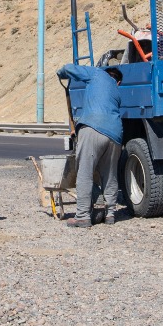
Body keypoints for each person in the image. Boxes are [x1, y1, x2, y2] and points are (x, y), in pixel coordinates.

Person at [55, 63, 123, 227]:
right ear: (118, 82)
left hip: (93, 127)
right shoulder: (117, 92)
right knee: (110, 174)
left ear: (107, 73)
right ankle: (111, 214)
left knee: (84, 172)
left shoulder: (97, 74)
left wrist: (61, 72)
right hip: (115, 133)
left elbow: (70, 68)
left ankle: (83, 216)